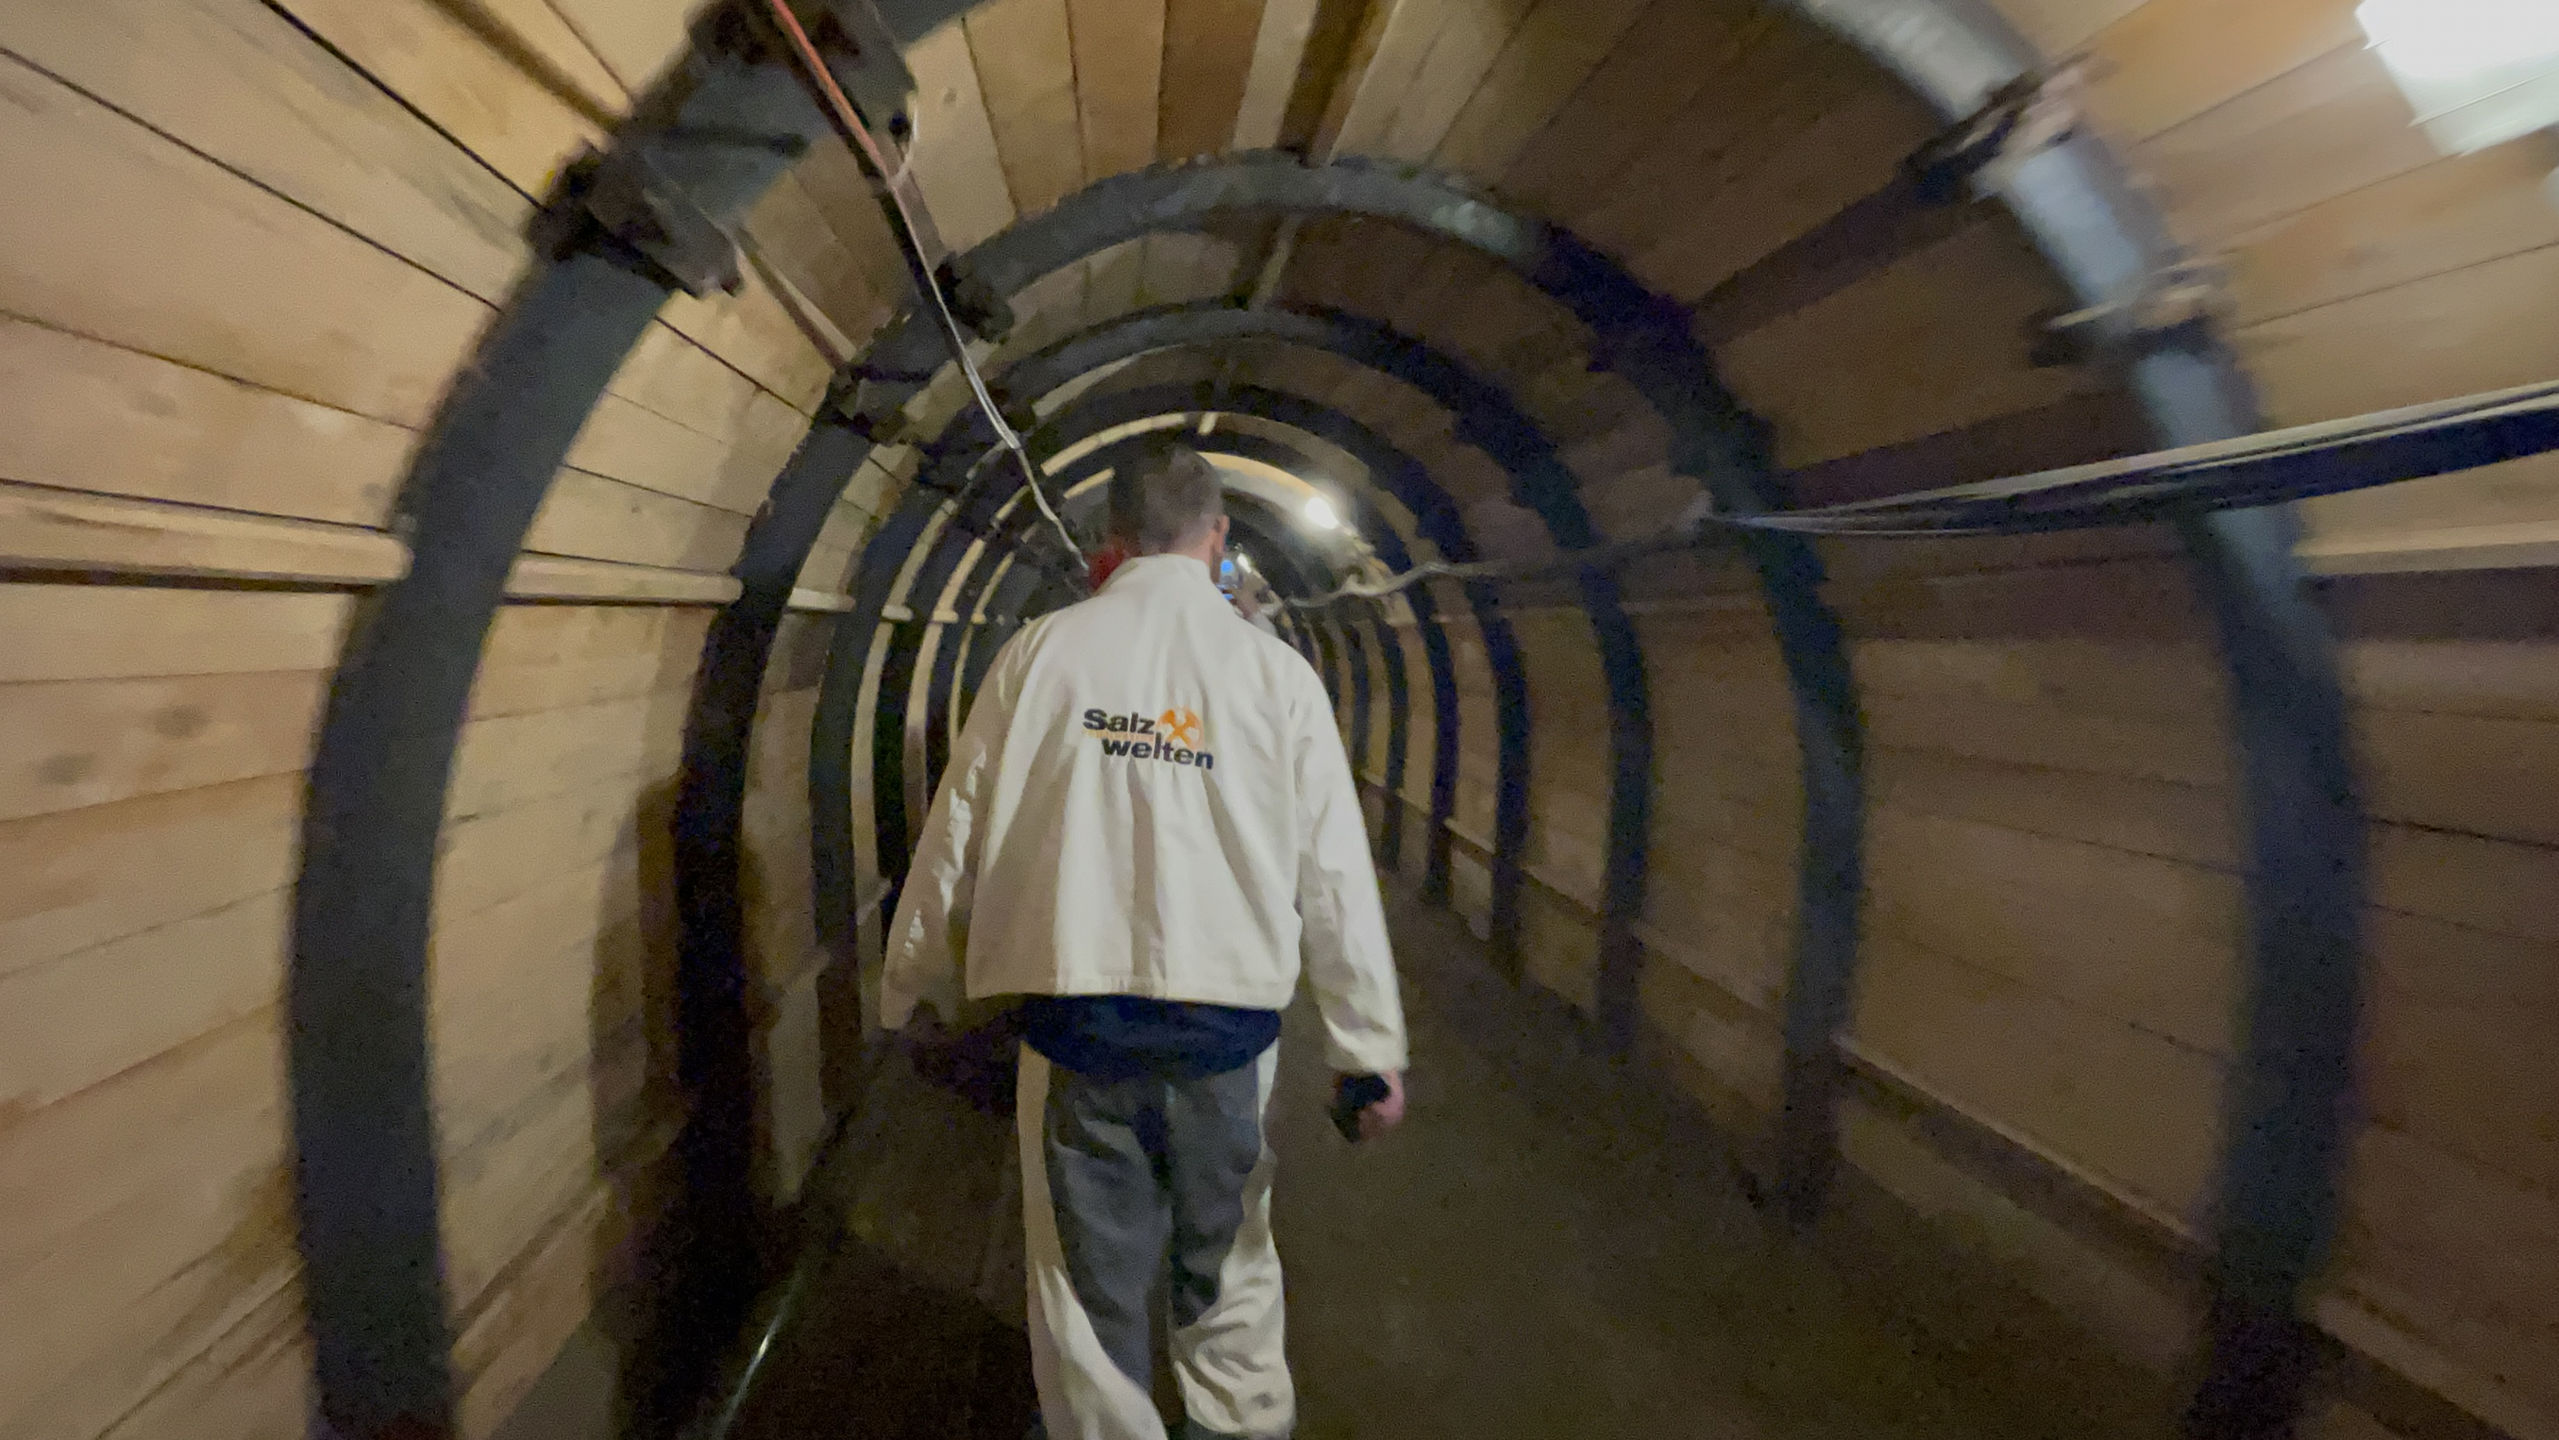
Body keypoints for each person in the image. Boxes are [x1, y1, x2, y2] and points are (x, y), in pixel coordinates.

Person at [881, 439, 1408, 1440]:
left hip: (1079, 1037)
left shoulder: (1039, 654)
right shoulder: (1277, 676)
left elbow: (956, 833)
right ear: (1218, 540)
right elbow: (1333, 872)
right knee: (1229, 1279)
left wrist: (918, 985)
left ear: (1109, 542)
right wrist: (1365, 1050)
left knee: (1087, 1305)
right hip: (1228, 1045)